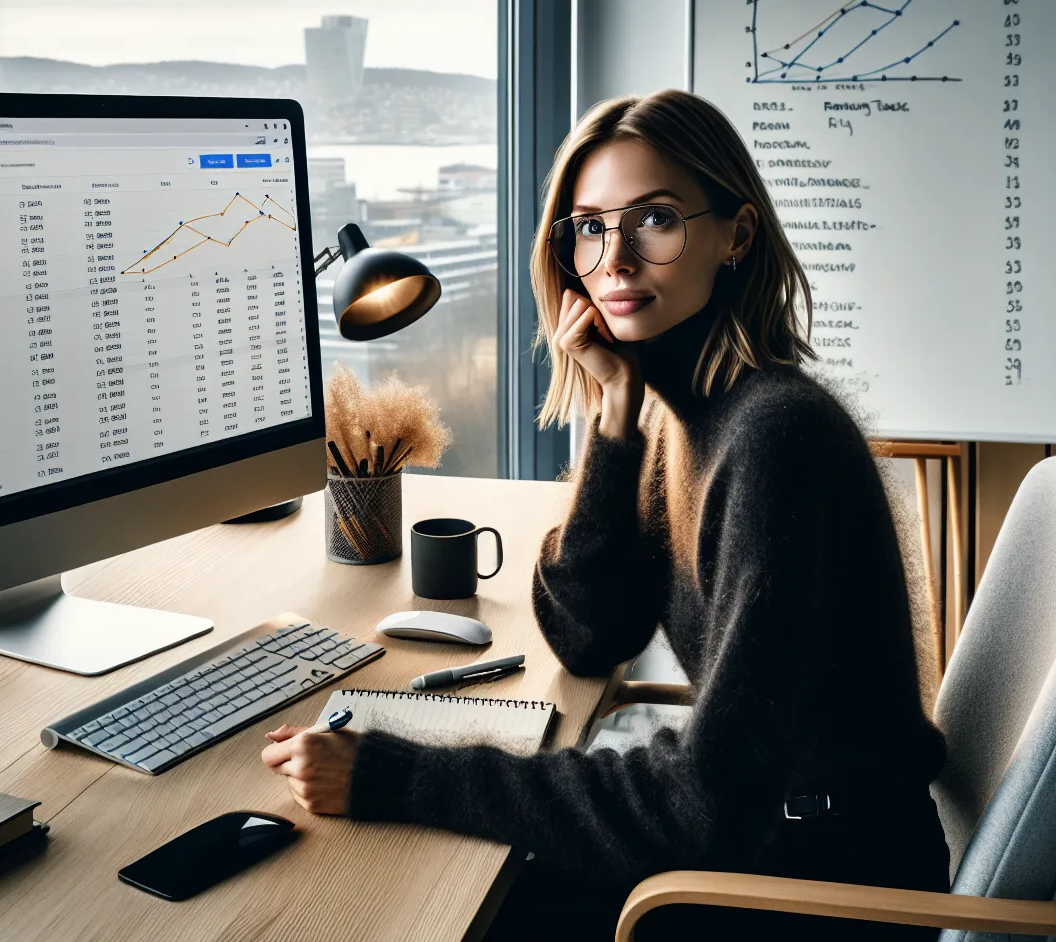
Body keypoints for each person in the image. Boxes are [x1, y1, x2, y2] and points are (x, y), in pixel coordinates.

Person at [262, 88, 948, 939]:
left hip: (818, 890)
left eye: (653, 220)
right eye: (589, 227)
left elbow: (703, 809)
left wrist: (394, 777)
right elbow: (592, 632)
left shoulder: (777, 441)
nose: (615, 259)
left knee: (406, 910)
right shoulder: (682, 409)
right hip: (777, 843)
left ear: (736, 235)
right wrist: (614, 419)